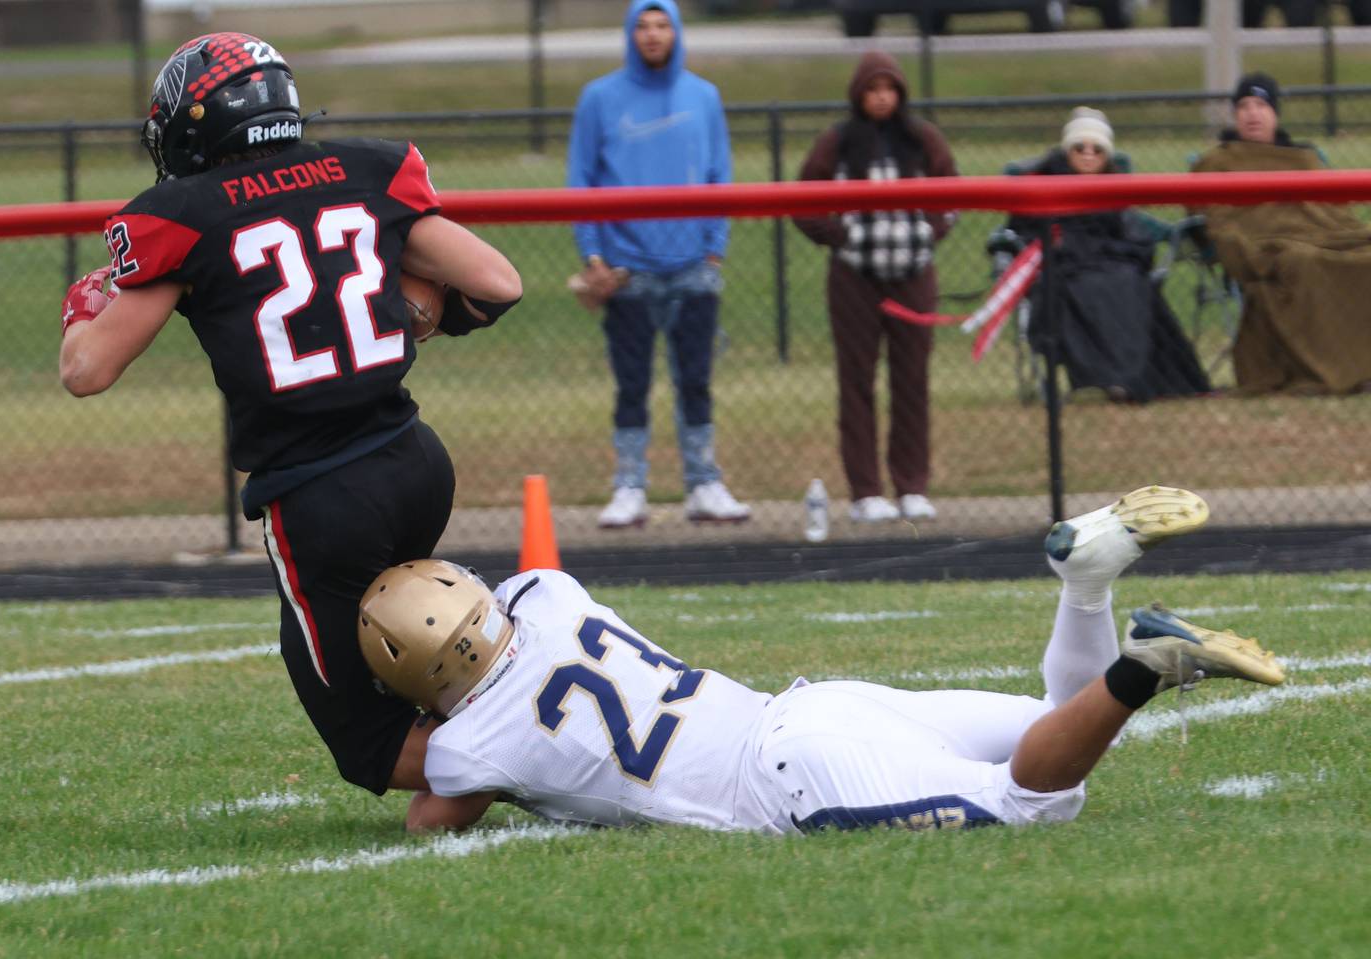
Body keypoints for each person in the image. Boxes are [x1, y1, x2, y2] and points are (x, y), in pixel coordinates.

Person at [58, 33, 522, 798]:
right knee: (421, 654)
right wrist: (415, 315)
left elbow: (87, 370)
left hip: (320, 494)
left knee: (366, 742)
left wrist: (83, 309)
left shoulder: (186, 211)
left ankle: (536, 756)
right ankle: (513, 736)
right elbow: (497, 282)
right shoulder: (364, 169)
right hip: (415, 460)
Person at [357, 486, 1284, 834]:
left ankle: (1145, 664)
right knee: (1054, 725)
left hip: (790, 775)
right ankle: (1084, 580)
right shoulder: (548, 597)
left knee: (1037, 798)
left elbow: (433, 815)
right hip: (803, 707)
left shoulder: (477, 744)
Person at [566, 0, 750, 530]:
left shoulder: (704, 96)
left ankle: (703, 483)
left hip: (694, 263)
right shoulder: (600, 98)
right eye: (643, 26)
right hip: (627, 268)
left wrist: (715, 244)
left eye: (662, 24)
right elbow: (581, 177)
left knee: (695, 380)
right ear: (630, 34)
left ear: (676, 32)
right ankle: (629, 487)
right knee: (631, 384)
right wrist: (593, 255)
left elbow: (721, 172)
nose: (652, 35)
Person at [791, 52, 957, 526]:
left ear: (901, 94)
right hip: (854, 279)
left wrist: (927, 234)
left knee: (912, 383)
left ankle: (912, 486)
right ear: (859, 95)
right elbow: (804, 203)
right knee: (856, 384)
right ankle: (866, 491)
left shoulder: (923, 140)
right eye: (872, 88)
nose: (881, 97)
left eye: (890, 88)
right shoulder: (837, 143)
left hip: (913, 277)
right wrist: (840, 237)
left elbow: (953, 193)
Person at [998, 107, 1211, 403]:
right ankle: (1112, 378)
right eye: (1079, 147)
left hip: (1112, 266)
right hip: (1065, 270)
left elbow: (1135, 239)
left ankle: (1127, 380)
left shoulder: (1115, 187)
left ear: (1106, 155)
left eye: (1097, 149)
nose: (1088, 154)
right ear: (1067, 149)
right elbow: (1023, 230)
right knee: (1098, 288)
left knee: (1134, 285)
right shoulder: (1043, 182)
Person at [1191, 72, 1371, 395]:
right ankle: (1334, 371)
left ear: (1275, 113)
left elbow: (1335, 210)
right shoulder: (1219, 161)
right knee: (1301, 261)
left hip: (1326, 236)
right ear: (1235, 115)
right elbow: (1211, 216)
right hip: (1269, 244)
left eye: (1261, 105)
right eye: (1244, 106)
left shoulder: (1303, 158)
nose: (1252, 114)